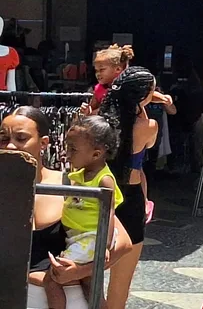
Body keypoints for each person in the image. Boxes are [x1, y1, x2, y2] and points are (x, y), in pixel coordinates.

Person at [5, 108, 132, 309]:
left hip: (68, 298)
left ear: (43, 143)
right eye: (3, 138)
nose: (10, 146)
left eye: (21, 138)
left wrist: (80, 272)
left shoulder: (71, 184)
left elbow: (123, 244)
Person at [41, 116, 124, 309]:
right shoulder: (78, 175)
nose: (66, 154)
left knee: (53, 278)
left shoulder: (104, 181)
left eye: (73, 149)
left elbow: (109, 213)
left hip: (92, 238)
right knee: (90, 285)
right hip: (79, 237)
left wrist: (104, 244)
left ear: (96, 154)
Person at [96, 66, 160, 309]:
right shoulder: (148, 126)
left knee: (88, 274)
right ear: (144, 96)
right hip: (130, 200)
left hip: (100, 197)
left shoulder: (99, 124)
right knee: (120, 285)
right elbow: (148, 147)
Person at [84, 44, 133, 113]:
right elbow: (91, 110)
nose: (98, 74)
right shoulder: (99, 89)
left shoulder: (130, 87)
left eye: (101, 70)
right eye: (96, 70)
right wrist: (87, 111)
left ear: (118, 69)